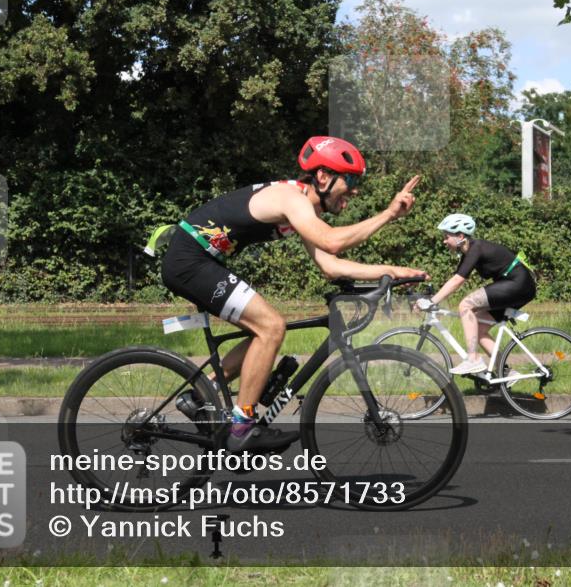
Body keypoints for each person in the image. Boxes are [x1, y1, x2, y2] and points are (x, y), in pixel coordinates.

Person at [160, 136, 425, 452]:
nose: (355, 190)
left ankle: (200, 396)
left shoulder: (302, 209)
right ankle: (242, 427)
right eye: (350, 180)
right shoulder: (290, 198)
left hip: (198, 261)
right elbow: (332, 242)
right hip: (190, 261)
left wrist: (392, 272)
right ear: (323, 177)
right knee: (271, 326)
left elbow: (329, 265)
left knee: (263, 332)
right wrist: (388, 215)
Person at [416, 213, 536, 375]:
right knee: (478, 329)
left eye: (446, 237)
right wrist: (433, 297)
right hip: (517, 285)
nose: (444, 241)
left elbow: (458, 281)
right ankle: (506, 372)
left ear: (460, 236)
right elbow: (455, 279)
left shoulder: (476, 248)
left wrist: (432, 301)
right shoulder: (470, 251)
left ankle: (473, 359)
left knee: (466, 305)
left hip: (517, 284)